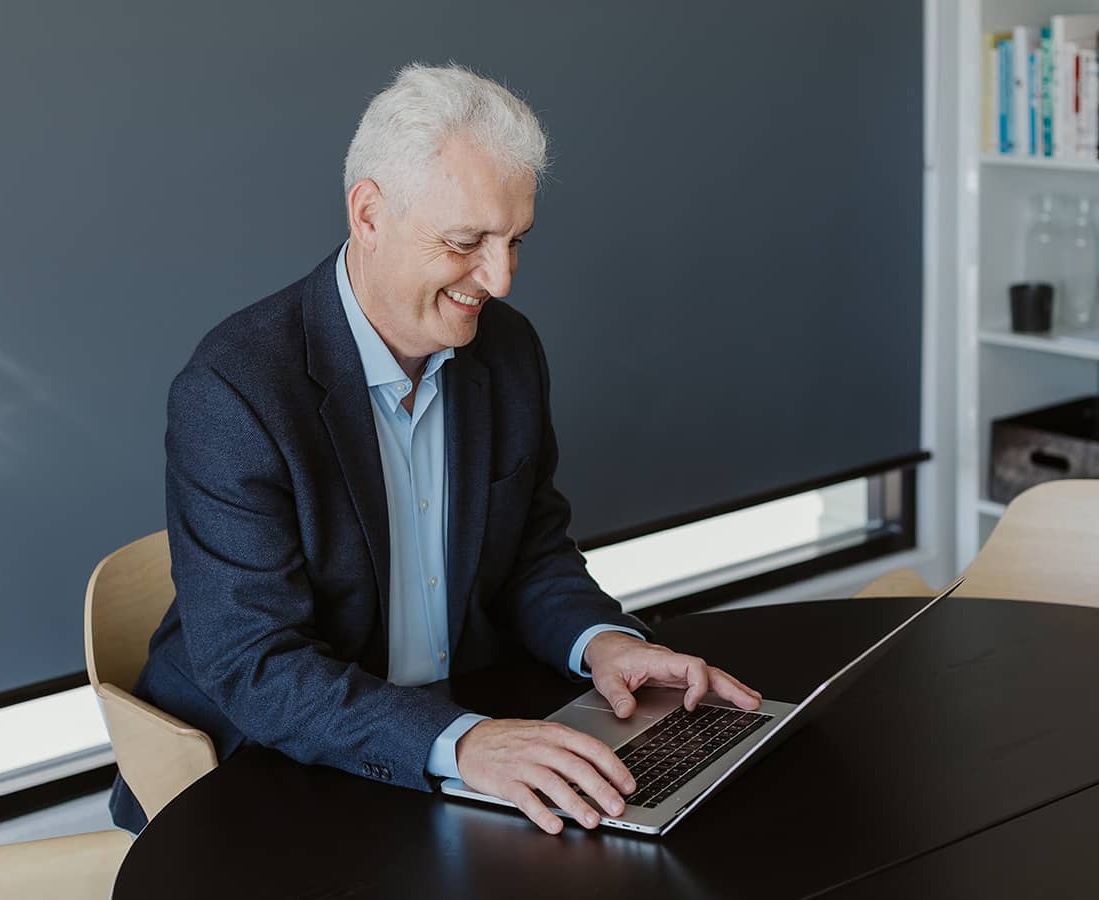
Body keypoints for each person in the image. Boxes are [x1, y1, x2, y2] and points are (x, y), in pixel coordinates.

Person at [109, 63, 760, 836]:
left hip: (454, 736)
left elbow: (530, 556)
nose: (502, 279)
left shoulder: (506, 351)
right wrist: (464, 744)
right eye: (466, 242)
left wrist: (605, 645)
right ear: (369, 214)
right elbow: (258, 666)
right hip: (263, 764)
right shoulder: (235, 389)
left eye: (516, 239)